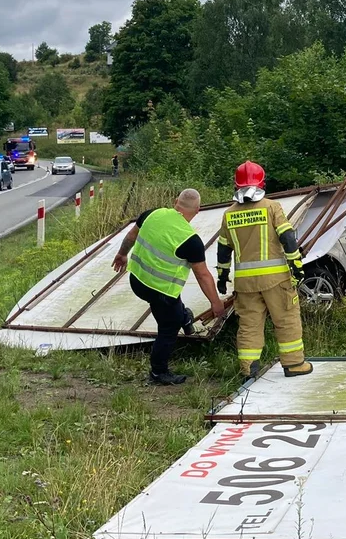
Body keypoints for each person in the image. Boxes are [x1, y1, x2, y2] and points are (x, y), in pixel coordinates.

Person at [111, 188, 226, 385]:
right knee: (168, 328)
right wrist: (216, 303)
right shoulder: (190, 240)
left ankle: (184, 317)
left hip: (137, 281)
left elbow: (131, 236)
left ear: (175, 202)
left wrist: (122, 254)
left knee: (173, 310)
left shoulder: (152, 214)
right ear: (197, 210)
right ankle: (158, 373)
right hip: (161, 292)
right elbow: (203, 274)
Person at [216, 161, 313, 379]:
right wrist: (296, 266)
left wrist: (222, 277)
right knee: (286, 319)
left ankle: (248, 368)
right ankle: (294, 364)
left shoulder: (229, 214)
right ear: (263, 183)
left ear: (236, 184)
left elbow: (223, 249)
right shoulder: (271, 207)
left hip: (245, 283)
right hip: (276, 279)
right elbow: (287, 238)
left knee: (249, 324)